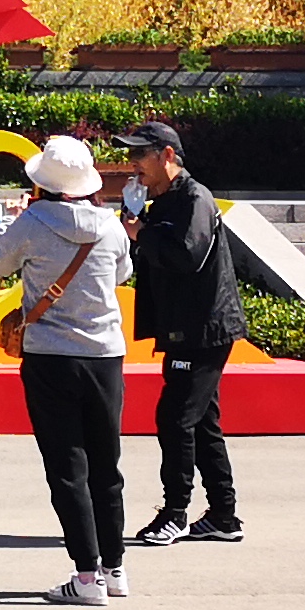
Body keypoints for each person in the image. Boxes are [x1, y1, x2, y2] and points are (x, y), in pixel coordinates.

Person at [0, 135, 134, 608]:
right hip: (105, 356)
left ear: (40, 183)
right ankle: (114, 568)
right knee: (106, 465)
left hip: (51, 356)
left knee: (67, 467)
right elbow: (122, 274)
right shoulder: (110, 227)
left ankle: (85, 574)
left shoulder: (30, 222)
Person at [117, 120, 246, 545]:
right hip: (185, 327)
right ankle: (224, 515)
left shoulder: (194, 198)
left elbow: (186, 256)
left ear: (167, 156)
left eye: (140, 155)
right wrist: (136, 220)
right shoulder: (166, 201)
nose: (132, 164)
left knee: (175, 419)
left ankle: (175, 512)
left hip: (203, 328)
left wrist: (140, 232)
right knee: (202, 421)